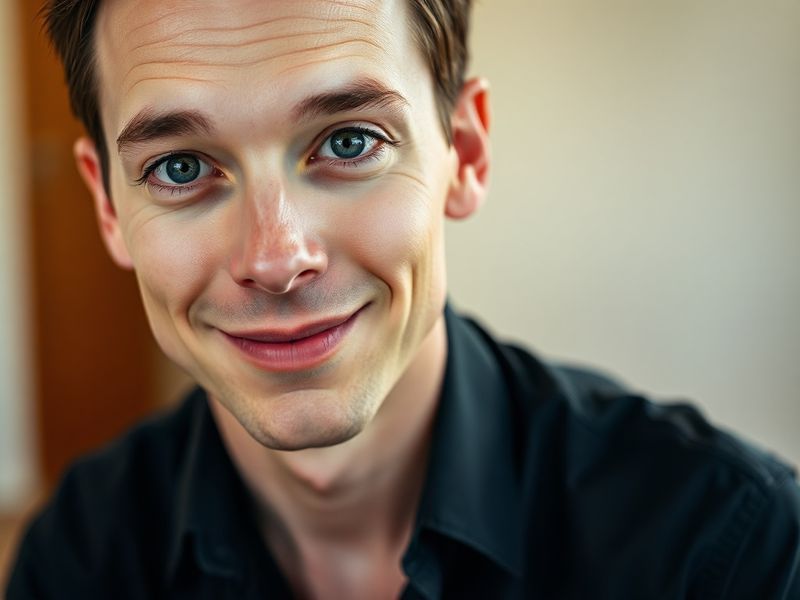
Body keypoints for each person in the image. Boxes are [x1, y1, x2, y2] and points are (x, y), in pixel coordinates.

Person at [7, 0, 800, 597]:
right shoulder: (79, 556)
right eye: (180, 168)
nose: (276, 258)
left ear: (465, 152)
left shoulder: (728, 550)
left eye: (349, 142)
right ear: (109, 207)